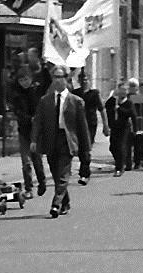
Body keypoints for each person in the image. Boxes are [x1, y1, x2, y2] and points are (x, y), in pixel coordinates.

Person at [31, 64, 92, 218]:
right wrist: (34, 139)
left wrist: (86, 148)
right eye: (55, 77)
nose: (57, 81)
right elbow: (38, 121)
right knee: (56, 173)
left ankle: (55, 205)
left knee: (63, 174)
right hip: (51, 139)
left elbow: (82, 126)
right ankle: (65, 202)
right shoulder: (45, 100)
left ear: (66, 79)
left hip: (67, 140)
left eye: (60, 77)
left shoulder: (76, 101)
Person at [6, 64, 47, 196]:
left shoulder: (36, 91)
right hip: (23, 129)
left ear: (31, 78)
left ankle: (42, 182)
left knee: (37, 159)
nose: (24, 83)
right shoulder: (16, 94)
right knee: (26, 161)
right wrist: (27, 118)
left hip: (36, 132)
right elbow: (17, 111)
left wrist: (45, 66)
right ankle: (28, 188)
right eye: (21, 80)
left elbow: (46, 84)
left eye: (26, 79)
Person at [105, 79, 143, 177]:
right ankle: (122, 162)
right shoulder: (113, 101)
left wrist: (136, 129)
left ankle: (120, 167)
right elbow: (105, 107)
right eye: (120, 90)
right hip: (114, 127)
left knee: (122, 146)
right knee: (113, 147)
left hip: (124, 128)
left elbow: (133, 114)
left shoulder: (130, 101)